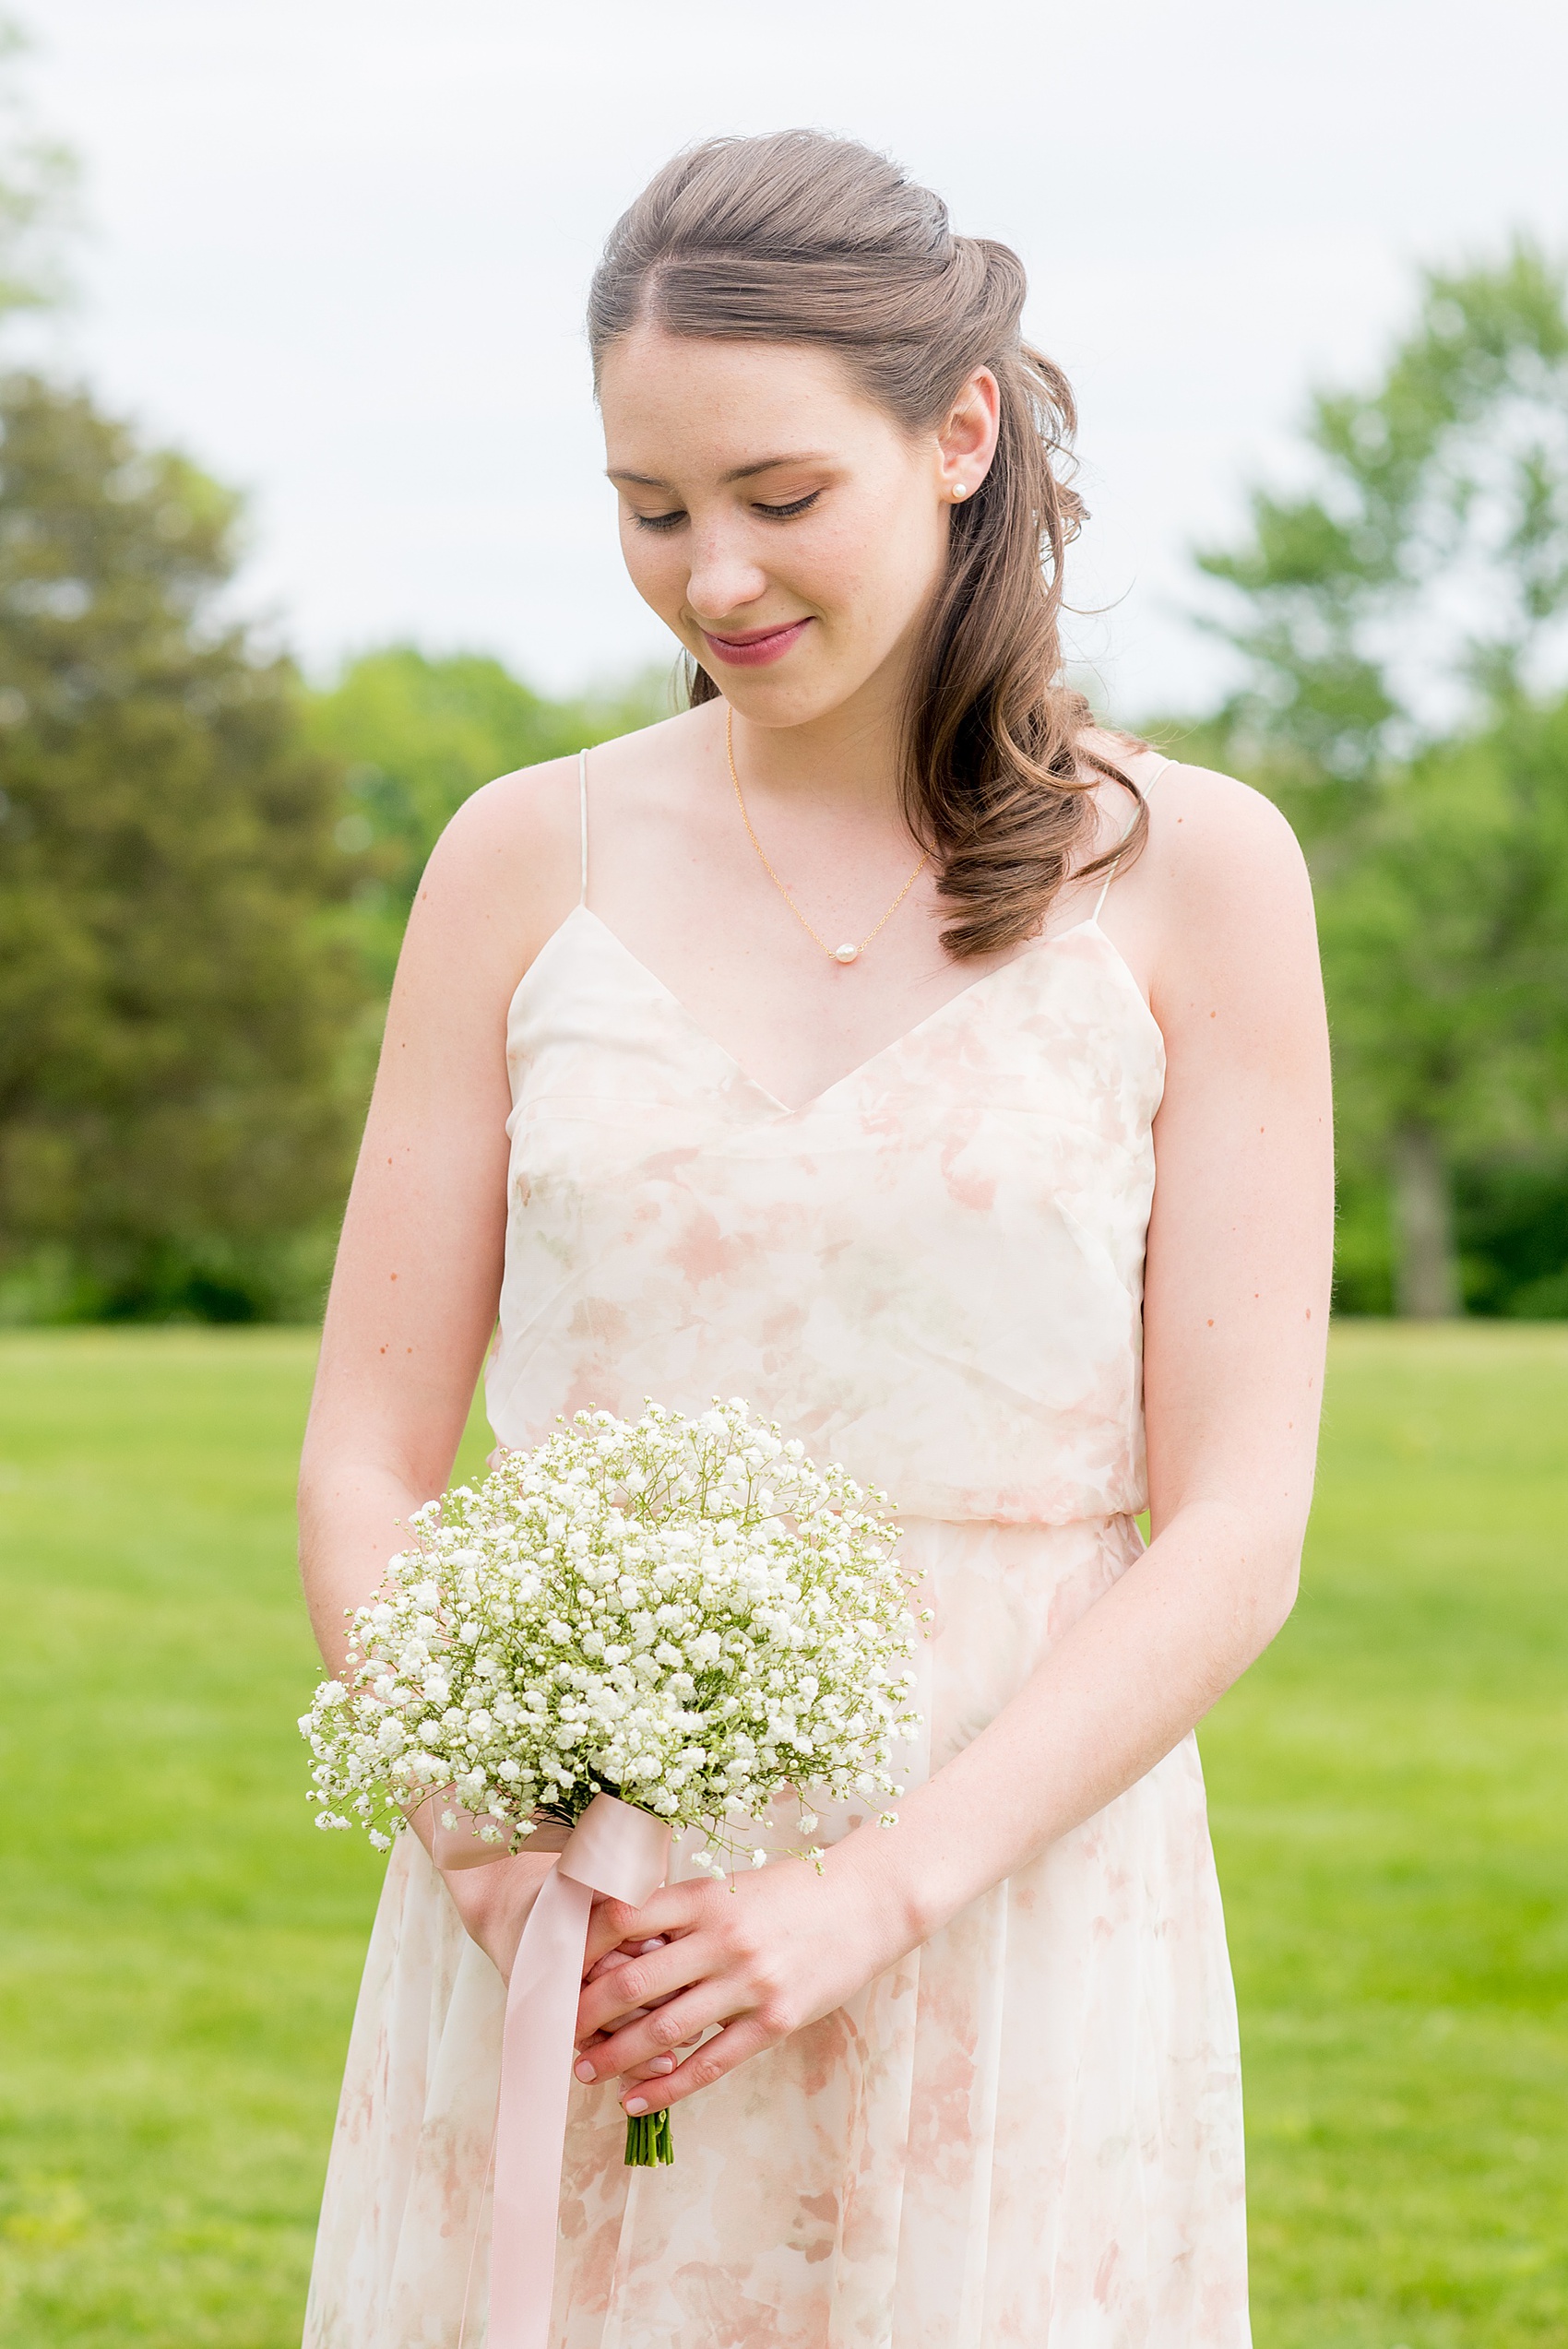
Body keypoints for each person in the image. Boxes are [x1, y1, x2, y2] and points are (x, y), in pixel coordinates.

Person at [297, 129, 1333, 2349]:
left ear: (958, 434)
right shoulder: (515, 858)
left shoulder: (1201, 874)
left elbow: (1236, 1517)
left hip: (1006, 1906)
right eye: (648, 507)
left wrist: (869, 1893)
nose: (708, 574)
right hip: (580, 1905)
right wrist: (486, 1848)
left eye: (777, 495)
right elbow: (366, 1454)